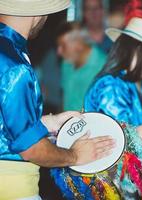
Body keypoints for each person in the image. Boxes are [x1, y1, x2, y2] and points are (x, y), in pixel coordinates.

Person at [0, 1, 115, 199]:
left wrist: (48, 122)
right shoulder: (15, 65)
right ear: (38, 12)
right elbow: (31, 149)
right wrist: (76, 155)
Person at [85, 17, 142, 139]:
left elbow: (134, 125)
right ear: (137, 51)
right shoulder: (111, 86)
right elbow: (122, 140)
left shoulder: (125, 83)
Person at [57, 22, 107, 111]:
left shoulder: (103, 66)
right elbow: (65, 99)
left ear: (79, 44)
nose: (59, 52)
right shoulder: (66, 63)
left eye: (63, 46)